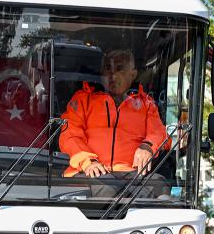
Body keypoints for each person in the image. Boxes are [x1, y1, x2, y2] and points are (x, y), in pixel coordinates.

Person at [59, 48, 168, 178]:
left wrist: (147, 147)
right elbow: (69, 134)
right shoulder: (83, 99)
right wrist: (88, 161)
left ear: (133, 74)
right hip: (89, 171)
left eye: (120, 68)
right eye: (107, 68)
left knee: (159, 186)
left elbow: (159, 132)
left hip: (133, 173)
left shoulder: (146, 104)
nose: (113, 75)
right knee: (106, 190)